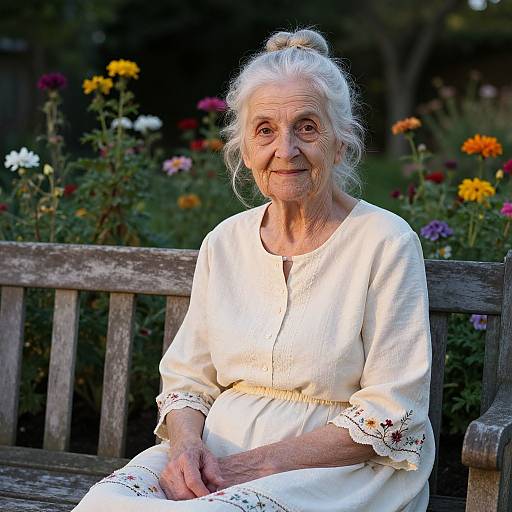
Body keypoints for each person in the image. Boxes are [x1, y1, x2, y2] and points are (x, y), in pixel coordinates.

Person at [73, 28, 435, 512]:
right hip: (215, 456)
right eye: (264, 130)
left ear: (341, 143)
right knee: (104, 504)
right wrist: (185, 449)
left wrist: (246, 469)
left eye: (307, 127)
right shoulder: (224, 243)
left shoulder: (386, 243)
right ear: (245, 150)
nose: (284, 149)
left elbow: (393, 412)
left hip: (339, 471)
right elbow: (187, 380)